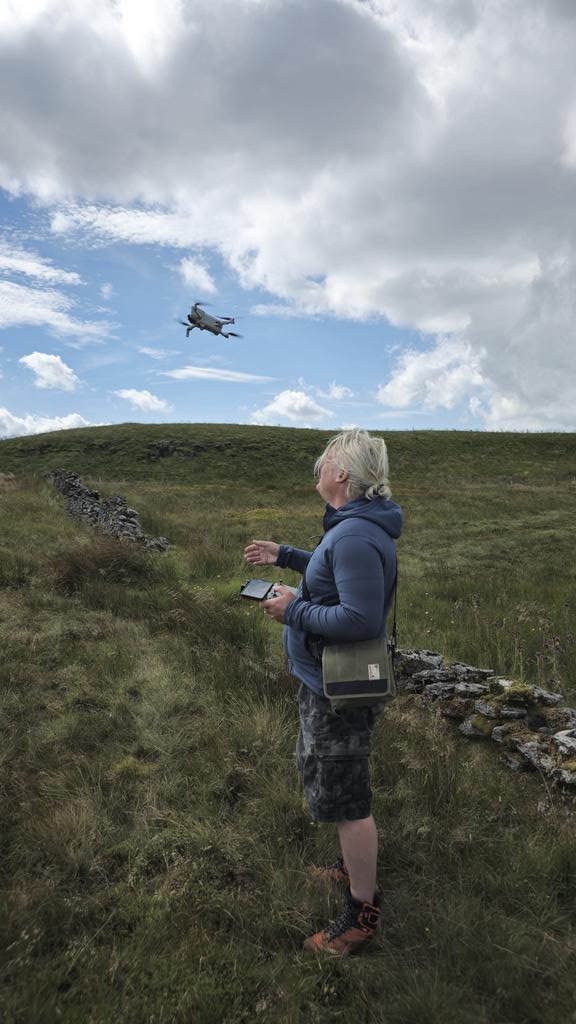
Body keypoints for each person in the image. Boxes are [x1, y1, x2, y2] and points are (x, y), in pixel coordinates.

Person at [244, 428, 402, 956]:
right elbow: (334, 571)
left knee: (348, 800)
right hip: (325, 682)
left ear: (342, 476)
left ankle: (361, 915)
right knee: (335, 784)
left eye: (326, 460)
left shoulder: (355, 534)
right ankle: (347, 867)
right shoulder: (351, 528)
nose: (318, 467)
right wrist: (288, 555)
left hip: (339, 693)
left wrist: (294, 610)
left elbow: (357, 617)